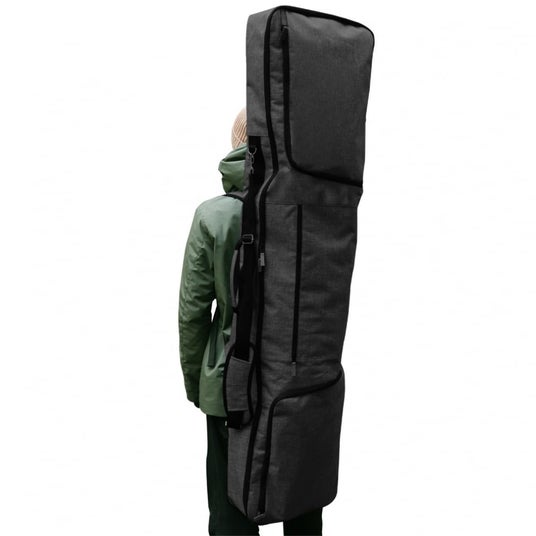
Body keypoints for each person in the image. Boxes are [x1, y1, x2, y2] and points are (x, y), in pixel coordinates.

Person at [178, 108, 323, 535]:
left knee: (231, 513)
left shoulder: (212, 216)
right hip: (299, 383)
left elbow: (192, 312)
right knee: (302, 504)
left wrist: (198, 384)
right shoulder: (312, 210)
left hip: (230, 386)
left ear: (238, 145)